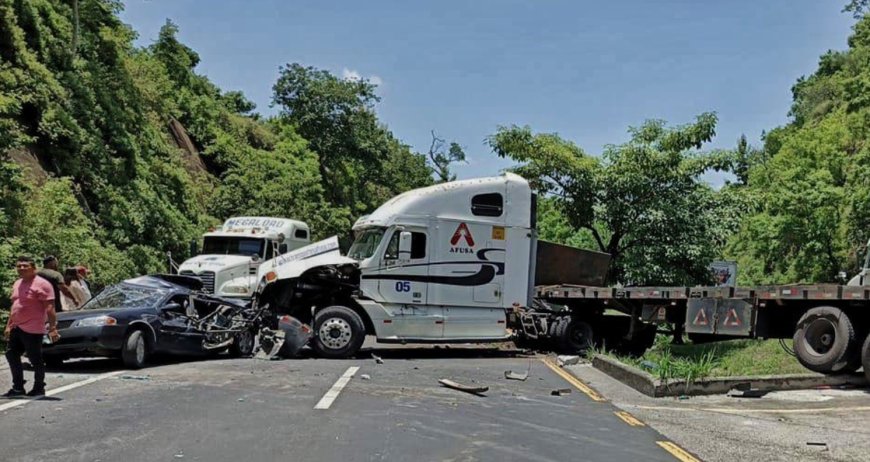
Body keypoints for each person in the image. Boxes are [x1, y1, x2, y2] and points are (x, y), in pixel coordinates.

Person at [4, 256, 60, 397]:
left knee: (35, 358)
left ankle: (39, 387)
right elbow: (15, 305)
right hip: (17, 326)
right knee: (11, 354)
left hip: (33, 328)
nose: (22, 268)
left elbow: (50, 308)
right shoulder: (17, 283)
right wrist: (8, 325)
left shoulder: (43, 284)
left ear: (34, 268)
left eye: (25, 266)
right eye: (19, 266)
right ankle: (18, 387)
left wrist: (52, 328)